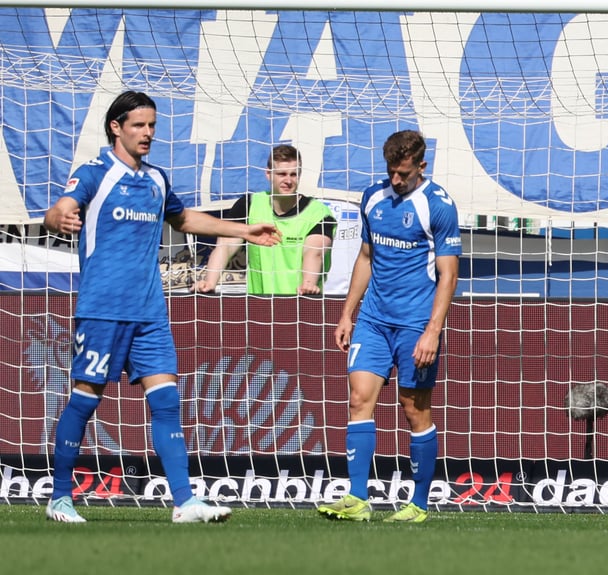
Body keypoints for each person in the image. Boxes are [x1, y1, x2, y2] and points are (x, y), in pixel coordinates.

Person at [42, 90, 281, 523]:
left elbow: (184, 219)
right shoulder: (96, 171)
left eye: (152, 125)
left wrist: (244, 231)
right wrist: (59, 217)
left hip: (150, 310)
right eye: (138, 125)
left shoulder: (156, 179)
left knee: (167, 400)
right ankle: (60, 497)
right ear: (116, 127)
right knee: (85, 399)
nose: (148, 133)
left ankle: (185, 502)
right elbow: (61, 207)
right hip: (103, 308)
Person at [317, 130, 461, 523]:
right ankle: (357, 498)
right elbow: (365, 256)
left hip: (416, 323)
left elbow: (448, 275)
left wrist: (433, 331)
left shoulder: (438, 206)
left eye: (403, 173)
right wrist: (348, 313)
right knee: (359, 398)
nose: (395, 180)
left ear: (421, 166)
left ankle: (418, 504)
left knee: (413, 409)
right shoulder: (373, 198)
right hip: (374, 320)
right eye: (391, 172)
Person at [194, 144, 336, 295]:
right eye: (282, 174)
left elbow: (314, 253)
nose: (288, 180)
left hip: (303, 303)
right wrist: (209, 282)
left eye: (293, 174)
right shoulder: (249, 204)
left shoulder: (318, 213)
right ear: (268, 174)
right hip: (260, 305)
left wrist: (309, 284)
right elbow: (225, 245)